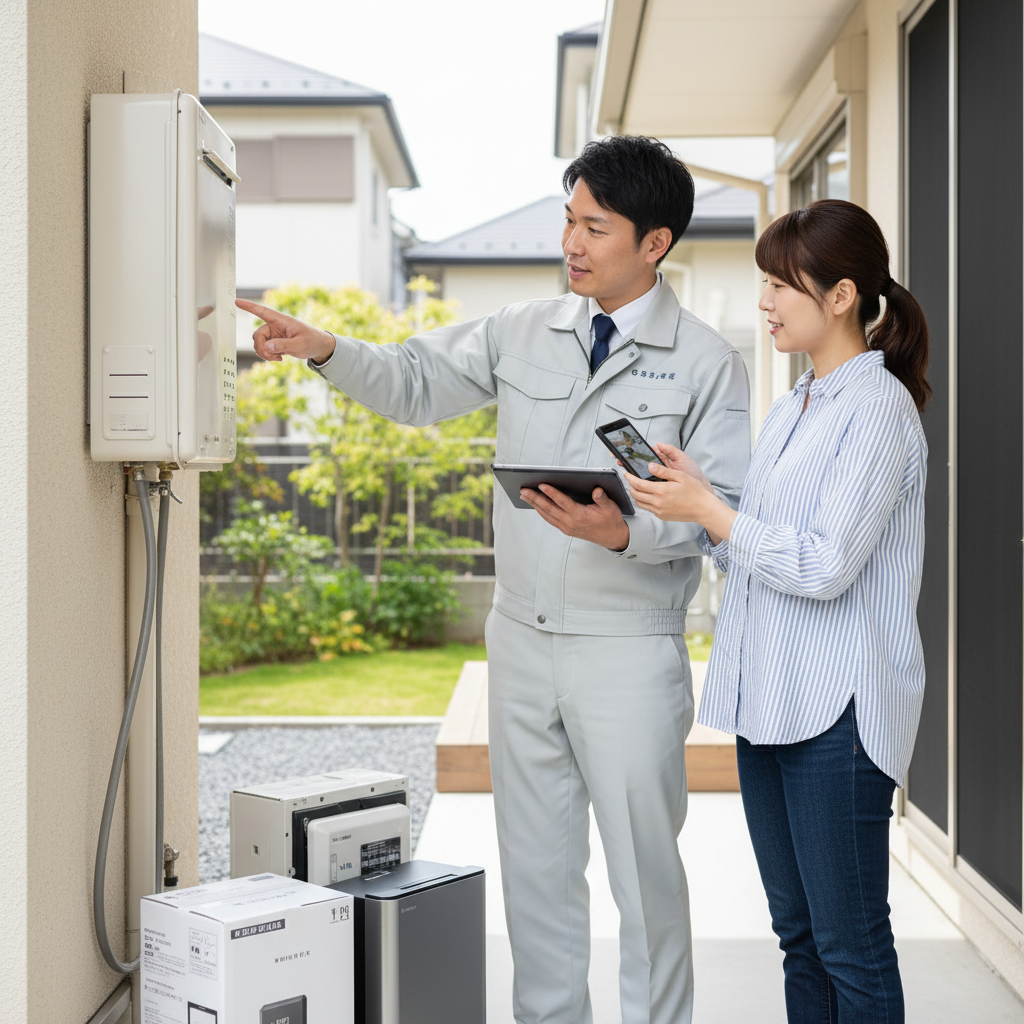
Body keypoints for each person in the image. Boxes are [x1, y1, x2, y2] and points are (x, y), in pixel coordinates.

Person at [236, 135, 751, 1024]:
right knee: (539, 881)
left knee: (646, 882)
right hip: (520, 642)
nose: (572, 242)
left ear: (655, 242)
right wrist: (325, 348)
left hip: (626, 651)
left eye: (595, 226)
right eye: (568, 220)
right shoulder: (522, 330)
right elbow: (413, 381)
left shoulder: (707, 363)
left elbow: (724, 513)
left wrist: (625, 529)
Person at [625, 198, 929, 1023]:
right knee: (799, 938)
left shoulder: (878, 410)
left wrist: (717, 513)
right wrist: (698, 507)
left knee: (851, 946)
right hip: (771, 706)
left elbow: (826, 564)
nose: (763, 302)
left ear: (839, 296)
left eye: (777, 285)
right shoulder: (795, 405)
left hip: (838, 713)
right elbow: (756, 554)